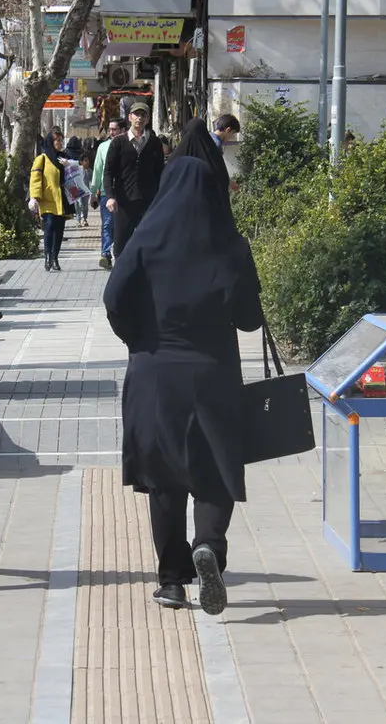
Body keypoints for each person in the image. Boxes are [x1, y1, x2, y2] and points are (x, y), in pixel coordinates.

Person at [103, 118, 264, 614]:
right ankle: (209, 548)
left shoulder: (146, 241)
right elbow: (250, 320)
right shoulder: (231, 245)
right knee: (215, 466)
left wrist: (140, 339)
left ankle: (172, 580)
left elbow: (114, 299)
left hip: (154, 372)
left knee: (165, 477)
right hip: (213, 371)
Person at [104, 101, 164, 259]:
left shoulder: (154, 143)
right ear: (130, 117)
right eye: (136, 114)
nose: (139, 118)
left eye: (143, 115)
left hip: (147, 200)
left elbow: (160, 172)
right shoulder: (119, 142)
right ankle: (120, 278)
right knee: (121, 243)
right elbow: (109, 172)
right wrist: (110, 196)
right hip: (123, 201)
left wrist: (161, 197)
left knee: (149, 242)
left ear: (148, 119)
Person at [28, 131, 74, 272]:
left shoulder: (65, 158)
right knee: (49, 227)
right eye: (57, 140)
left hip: (63, 200)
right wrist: (34, 197)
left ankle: (55, 258)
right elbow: (35, 179)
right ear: (51, 142)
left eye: (61, 140)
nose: (60, 143)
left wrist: (70, 166)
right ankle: (48, 256)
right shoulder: (42, 159)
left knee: (59, 231)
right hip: (48, 200)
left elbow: (75, 176)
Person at [91, 119, 123, 270]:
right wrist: (93, 192)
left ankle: (121, 254)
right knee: (107, 224)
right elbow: (97, 170)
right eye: (110, 129)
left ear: (122, 130)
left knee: (121, 224)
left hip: (124, 192)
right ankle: (105, 254)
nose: (111, 132)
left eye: (114, 129)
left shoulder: (127, 145)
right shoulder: (103, 147)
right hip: (106, 192)